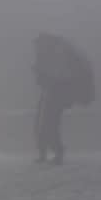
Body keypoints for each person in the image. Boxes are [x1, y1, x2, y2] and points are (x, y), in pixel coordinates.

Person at [33, 33, 75, 165]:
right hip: (49, 94)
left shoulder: (53, 58)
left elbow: (57, 77)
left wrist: (43, 75)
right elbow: (42, 79)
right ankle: (44, 152)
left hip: (53, 96)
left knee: (49, 124)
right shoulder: (47, 57)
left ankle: (56, 152)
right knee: (42, 123)